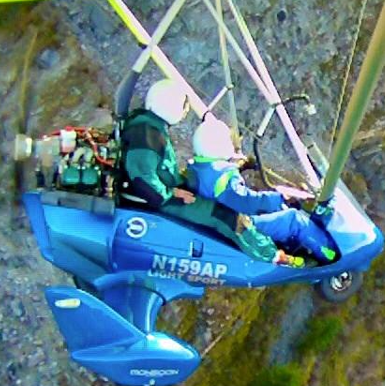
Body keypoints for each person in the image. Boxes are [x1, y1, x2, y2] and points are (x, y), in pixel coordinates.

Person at [120, 79, 290, 265]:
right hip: (164, 201)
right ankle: (272, 258)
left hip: (166, 191)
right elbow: (144, 180)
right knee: (226, 216)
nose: (185, 110)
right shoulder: (147, 136)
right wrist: (172, 195)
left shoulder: (149, 127)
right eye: (183, 106)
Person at [188, 115, 338, 265]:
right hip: (241, 227)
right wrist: (280, 197)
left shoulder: (201, 168)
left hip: (223, 222)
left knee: (279, 208)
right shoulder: (222, 177)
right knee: (294, 220)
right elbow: (247, 202)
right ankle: (331, 256)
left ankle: (294, 244)